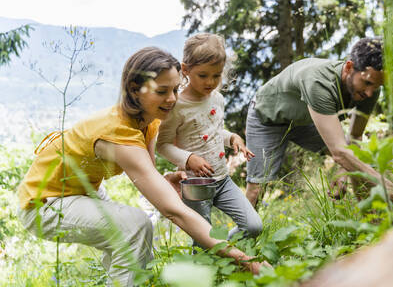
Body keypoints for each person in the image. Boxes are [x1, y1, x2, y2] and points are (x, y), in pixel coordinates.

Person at [17, 47, 267, 287]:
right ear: (135, 90)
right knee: (136, 228)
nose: (172, 99)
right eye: (161, 91)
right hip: (45, 203)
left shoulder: (149, 121)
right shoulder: (118, 134)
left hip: (81, 191)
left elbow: (145, 170)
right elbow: (174, 211)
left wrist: (163, 178)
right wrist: (245, 260)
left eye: (175, 89)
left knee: (136, 246)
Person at [244, 37, 393, 206]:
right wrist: (391, 191)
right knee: (256, 190)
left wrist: (344, 169)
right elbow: (340, 153)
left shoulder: (369, 92)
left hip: (305, 120)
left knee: (358, 160)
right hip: (268, 116)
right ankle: (243, 231)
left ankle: (371, 219)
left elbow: (355, 137)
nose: (370, 93)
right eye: (367, 83)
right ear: (349, 67)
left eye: (377, 86)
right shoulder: (319, 83)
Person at [157, 33, 262, 248]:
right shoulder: (177, 106)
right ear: (185, 70)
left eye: (216, 75)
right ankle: (209, 269)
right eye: (203, 75)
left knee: (253, 226)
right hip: (195, 186)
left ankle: (226, 250)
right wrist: (189, 159)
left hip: (223, 180)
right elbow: (162, 144)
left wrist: (232, 137)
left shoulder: (217, 98)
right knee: (204, 240)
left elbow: (213, 131)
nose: (210, 82)